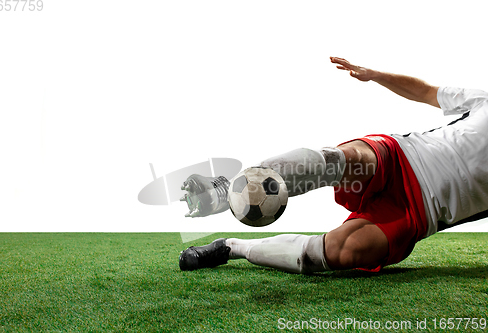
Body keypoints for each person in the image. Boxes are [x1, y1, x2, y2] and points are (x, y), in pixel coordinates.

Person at [178, 56, 488, 274]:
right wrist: (376, 75)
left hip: (420, 214)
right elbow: (426, 92)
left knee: (345, 251)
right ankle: (225, 192)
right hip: (403, 157)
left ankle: (230, 248)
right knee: (347, 160)